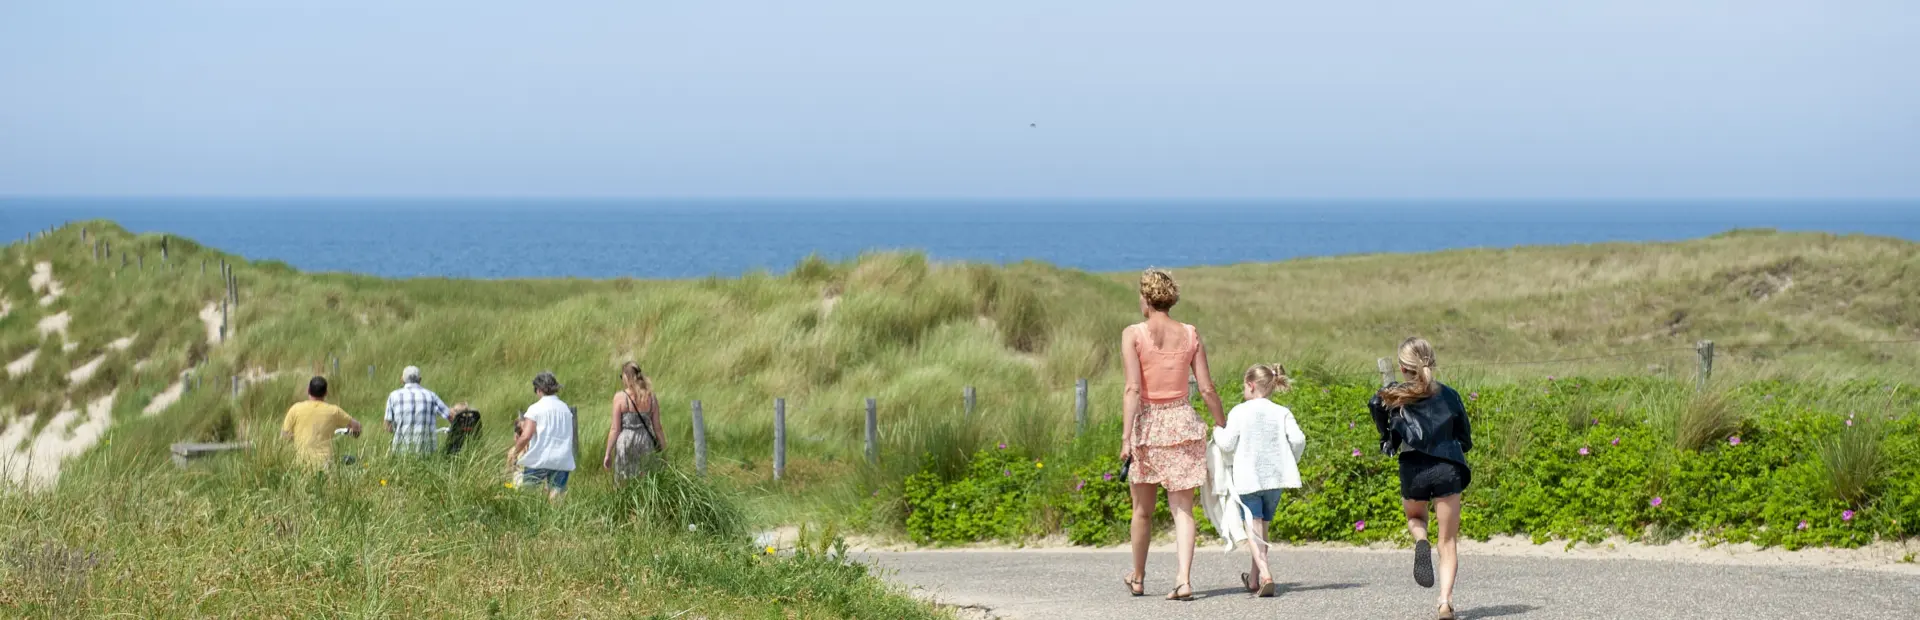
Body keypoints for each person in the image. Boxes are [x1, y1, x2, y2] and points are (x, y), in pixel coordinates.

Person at [1119, 268, 1226, 601]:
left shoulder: (1133, 334)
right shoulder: (1191, 334)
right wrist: (1222, 423)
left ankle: (1138, 577)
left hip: (1148, 427)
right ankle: (1183, 580)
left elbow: (1133, 389)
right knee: (1182, 510)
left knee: (1142, 510)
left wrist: (1125, 438)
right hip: (1182, 423)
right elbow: (1206, 389)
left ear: (1147, 299)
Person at [1368, 337, 1473, 620]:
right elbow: (1465, 436)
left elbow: (1374, 403)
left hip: (1413, 468)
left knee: (1416, 520)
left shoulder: (1396, 395)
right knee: (1448, 541)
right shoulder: (1450, 395)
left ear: (1403, 368)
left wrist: (1387, 436)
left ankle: (1420, 541)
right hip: (1447, 466)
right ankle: (1445, 603)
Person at [1211, 363, 1306, 598]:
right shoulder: (1281, 411)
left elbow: (1227, 444)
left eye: (1244, 385)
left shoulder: (1240, 411)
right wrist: (1289, 460)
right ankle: (1253, 579)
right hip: (1276, 479)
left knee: (1252, 529)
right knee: (1262, 529)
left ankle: (1265, 574)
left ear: (1251, 385)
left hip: (1249, 478)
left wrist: (1216, 431)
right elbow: (1298, 439)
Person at [513, 371, 577, 501]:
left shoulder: (535, 409)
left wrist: (514, 452)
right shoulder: (565, 409)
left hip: (540, 458)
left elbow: (526, 436)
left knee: (528, 496)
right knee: (556, 496)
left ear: (538, 390)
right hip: (561, 458)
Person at [603, 362, 665, 482]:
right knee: (646, 479)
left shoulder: (620, 397)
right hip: (645, 441)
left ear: (626, 377)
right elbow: (658, 428)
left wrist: (608, 453)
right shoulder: (651, 397)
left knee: (624, 481)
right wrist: (664, 450)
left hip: (625, 442)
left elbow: (615, 429)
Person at [280, 376, 361, 468]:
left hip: (301, 465)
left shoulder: (295, 409)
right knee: (352, 460)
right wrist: (348, 431)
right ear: (326, 392)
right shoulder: (334, 411)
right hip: (325, 465)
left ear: (308, 390)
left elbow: (285, 436)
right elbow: (357, 427)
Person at [384, 365, 450, 455]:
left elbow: (387, 426)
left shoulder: (393, 396)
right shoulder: (431, 395)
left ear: (402, 380)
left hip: (401, 453)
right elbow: (450, 415)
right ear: (420, 380)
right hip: (427, 452)